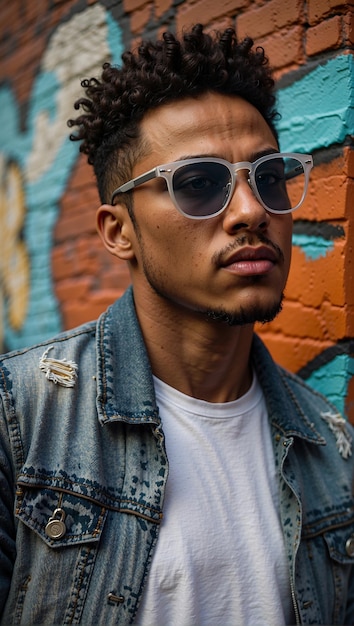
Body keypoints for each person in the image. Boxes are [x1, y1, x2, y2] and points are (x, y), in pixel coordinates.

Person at [0, 23, 353, 626]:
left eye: (268, 178)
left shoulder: (334, 450)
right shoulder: (21, 418)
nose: (251, 212)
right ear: (120, 232)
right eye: (198, 184)